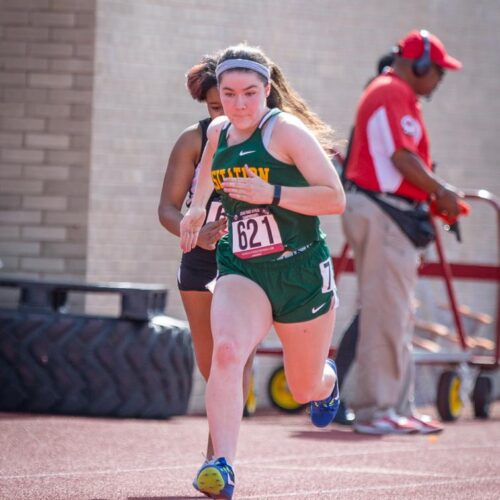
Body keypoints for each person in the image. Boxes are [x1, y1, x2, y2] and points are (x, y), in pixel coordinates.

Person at [180, 43, 345, 499]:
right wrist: (195, 210)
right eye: (228, 94)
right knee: (228, 352)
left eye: (249, 93)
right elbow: (206, 171)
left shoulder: (285, 132)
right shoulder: (218, 131)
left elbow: (334, 198)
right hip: (242, 267)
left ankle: (326, 380)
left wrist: (270, 193)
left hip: (300, 272)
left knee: (303, 385)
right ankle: (221, 465)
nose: (238, 105)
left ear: (267, 91)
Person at [341, 29, 463, 435]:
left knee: (396, 313)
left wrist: (435, 196)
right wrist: (442, 191)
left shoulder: (392, 91)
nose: (439, 81)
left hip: (385, 210)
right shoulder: (392, 91)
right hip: (384, 211)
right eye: (438, 72)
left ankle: (395, 405)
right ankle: (377, 410)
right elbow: (402, 158)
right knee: (385, 314)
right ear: (420, 65)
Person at [157, 54, 255, 461]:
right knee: (211, 364)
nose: (225, 114)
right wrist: (195, 235)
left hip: (251, 261)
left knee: (233, 355)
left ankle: (218, 459)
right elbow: (166, 209)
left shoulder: (266, 138)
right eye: (216, 107)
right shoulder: (193, 140)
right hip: (200, 260)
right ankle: (220, 452)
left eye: (232, 104)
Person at [334, 51, 396, 426]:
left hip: (364, 207)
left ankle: (340, 392)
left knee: (372, 309)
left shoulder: (372, 104)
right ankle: (362, 401)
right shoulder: (383, 105)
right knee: (375, 310)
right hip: (378, 213)